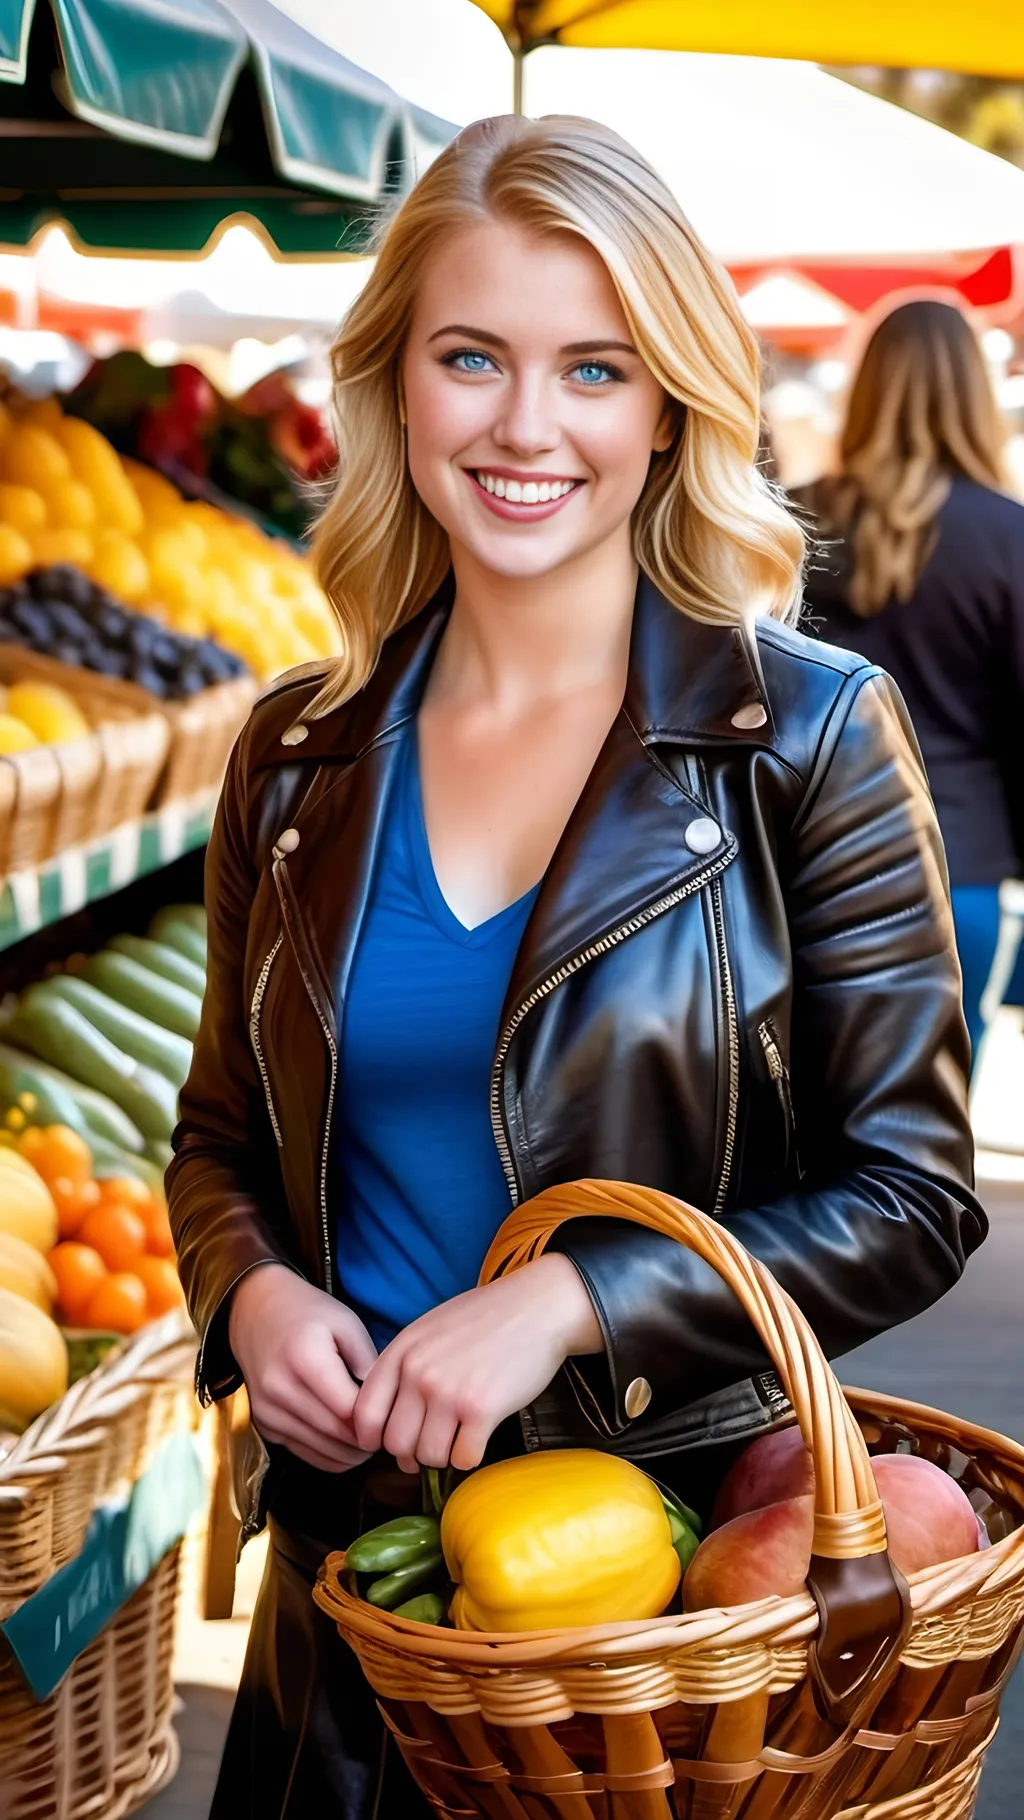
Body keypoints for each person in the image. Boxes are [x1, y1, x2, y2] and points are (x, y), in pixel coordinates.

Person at [167, 119, 985, 1820]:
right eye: (470, 357)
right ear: (397, 387)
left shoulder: (806, 739)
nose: (525, 426)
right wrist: (249, 1298)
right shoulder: (297, 758)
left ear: (669, 400)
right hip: (360, 1598)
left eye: (592, 369)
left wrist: (573, 1298)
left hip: (664, 1614)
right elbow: (217, 1145)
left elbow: (909, 1193)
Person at [795, 299, 1024, 1068]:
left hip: (804, 865)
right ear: (972, 390)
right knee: (936, 1127)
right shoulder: (1008, 536)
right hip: (961, 865)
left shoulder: (795, 522)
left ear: (867, 386)